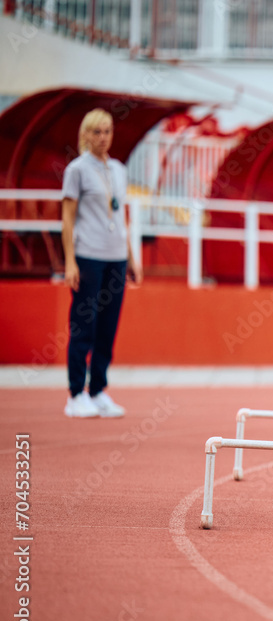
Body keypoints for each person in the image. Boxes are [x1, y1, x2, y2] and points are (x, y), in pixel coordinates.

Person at [61, 109, 142, 418]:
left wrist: (131, 258)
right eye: (97, 132)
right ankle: (75, 393)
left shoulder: (119, 170)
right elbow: (67, 220)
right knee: (84, 325)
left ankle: (97, 390)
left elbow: (122, 217)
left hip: (116, 258)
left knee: (108, 326)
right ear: (86, 135)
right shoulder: (77, 170)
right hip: (88, 256)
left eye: (107, 131)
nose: (103, 137)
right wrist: (70, 261)